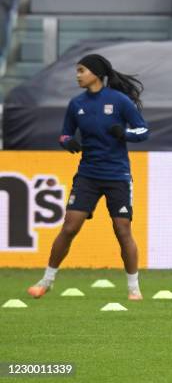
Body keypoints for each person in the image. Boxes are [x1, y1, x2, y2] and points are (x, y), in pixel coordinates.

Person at [27, 54, 150, 300]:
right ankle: (46, 280)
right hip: (88, 175)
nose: (78, 75)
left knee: (121, 228)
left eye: (82, 70)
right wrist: (68, 142)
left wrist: (124, 133)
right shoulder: (76, 104)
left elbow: (143, 130)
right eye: (77, 71)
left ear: (95, 73)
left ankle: (133, 288)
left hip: (117, 175)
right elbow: (64, 135)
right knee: (70, 226)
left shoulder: (119, 101)